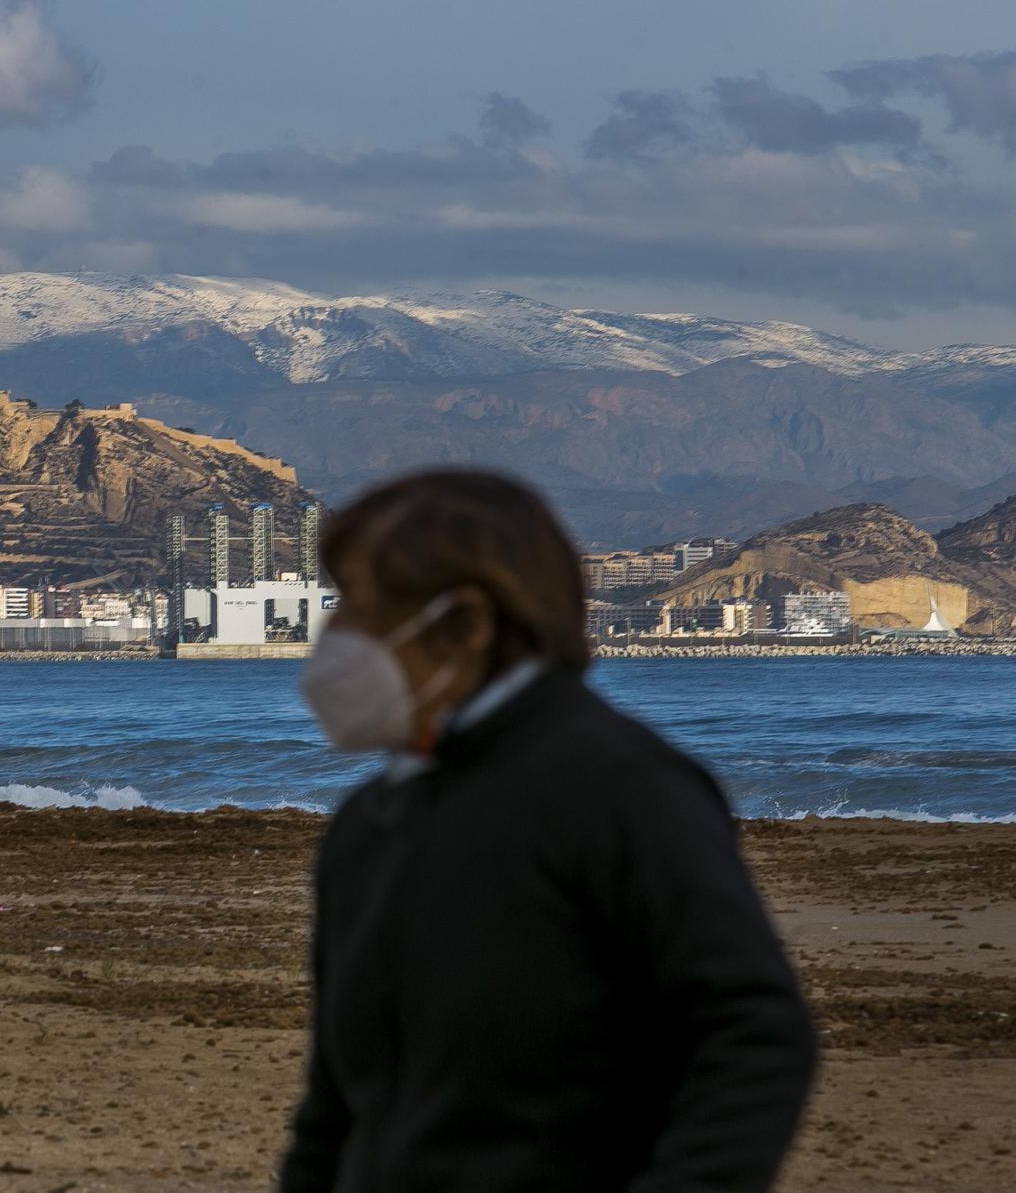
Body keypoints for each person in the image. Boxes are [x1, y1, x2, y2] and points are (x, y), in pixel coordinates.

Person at [280, 470, 816, 1193]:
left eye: (364, 608)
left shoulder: (621, 789)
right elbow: (338, 1105)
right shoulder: (369, 823)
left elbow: (753, 1035)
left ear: (466, 623)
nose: (335, 636)